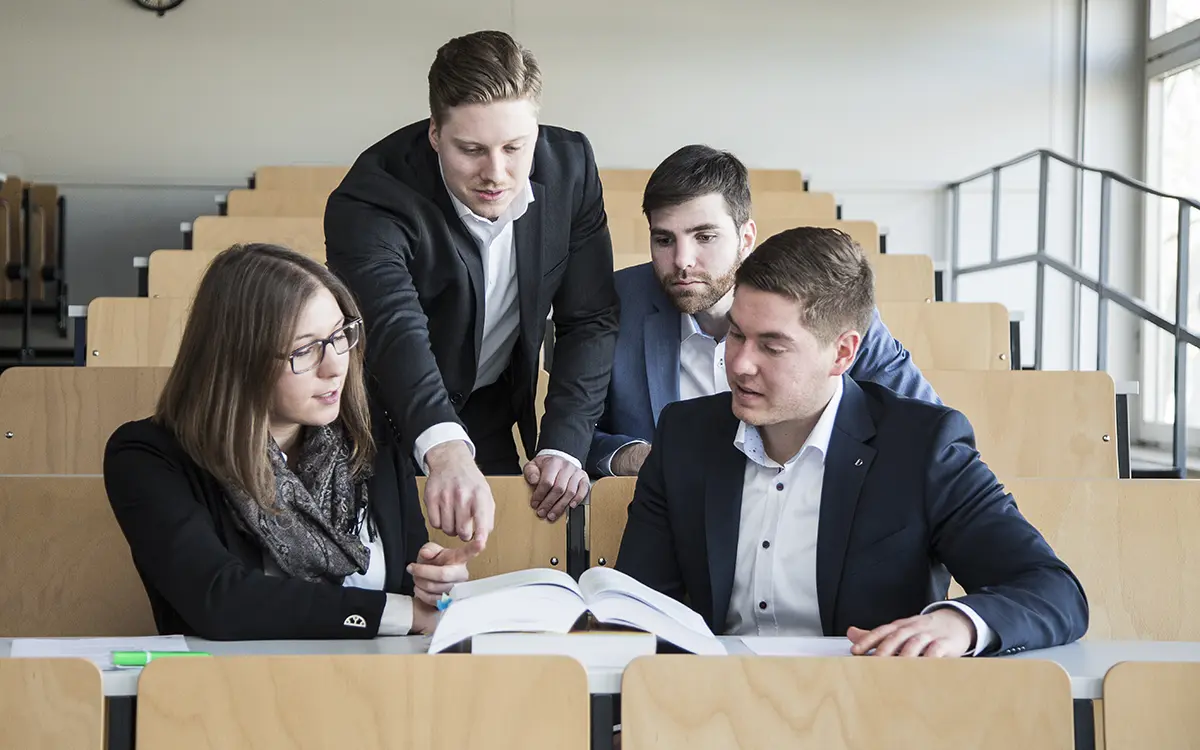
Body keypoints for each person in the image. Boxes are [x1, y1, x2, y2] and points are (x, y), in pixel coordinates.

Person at [615, 227, 1088, 656]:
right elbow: (640, 605)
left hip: (866, 713)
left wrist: (959, 624)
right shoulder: (684, 435)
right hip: (711, 713)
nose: (739, 364)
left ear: (843, 353)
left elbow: (1053, 590)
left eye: (772, 346)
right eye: (737, 335)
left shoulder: (923, 447)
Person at [104, 244, 479, 640]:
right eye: (305, 350)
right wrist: (400, 613)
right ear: (237, 360)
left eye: (339, 336)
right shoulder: (148, 457)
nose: (335, 366)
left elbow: (413, 597)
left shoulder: (372, 437)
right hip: (233, 692)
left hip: (377, 689)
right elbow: (220, 601)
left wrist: (431, 584)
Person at [326, 30, 619, 535]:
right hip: (377, 424)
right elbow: (395, 327)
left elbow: (589, 318)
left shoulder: (572, 169)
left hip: (489, 413)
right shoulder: (371, 197)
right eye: (471, 149)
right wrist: (443, 447)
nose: (496, 173)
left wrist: (563, 445)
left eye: (514, 147)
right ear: (435, 134)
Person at [587, 145, 937, 478]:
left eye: (705, 237)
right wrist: (635, 456)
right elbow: (574, 432)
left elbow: (928, 428)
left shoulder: (826, 300)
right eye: (664, 240)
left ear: (746, 237)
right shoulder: (615, 302)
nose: (682, 261)